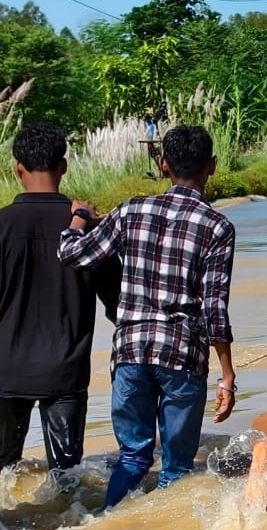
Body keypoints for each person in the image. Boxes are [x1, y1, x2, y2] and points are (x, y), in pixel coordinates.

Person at [58, 126, 238, 509]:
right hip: (183, 357)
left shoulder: (130, 210)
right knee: (176, 469)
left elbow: (74, 255)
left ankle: (108, 523)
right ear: (213, 167)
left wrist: (78, 219)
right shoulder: (218, 227)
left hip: (131, 353)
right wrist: (227, 375)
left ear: (162, 165)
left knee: (133, 457)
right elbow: (214, 308)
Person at [0, 122, 120, 486]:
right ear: (63, 166)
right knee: (67, 480)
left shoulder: (2, 225)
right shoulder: (86, 230)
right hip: (65, 372)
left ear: (17, 168)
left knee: (3, 473)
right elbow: (118, 304)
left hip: (6, 371)